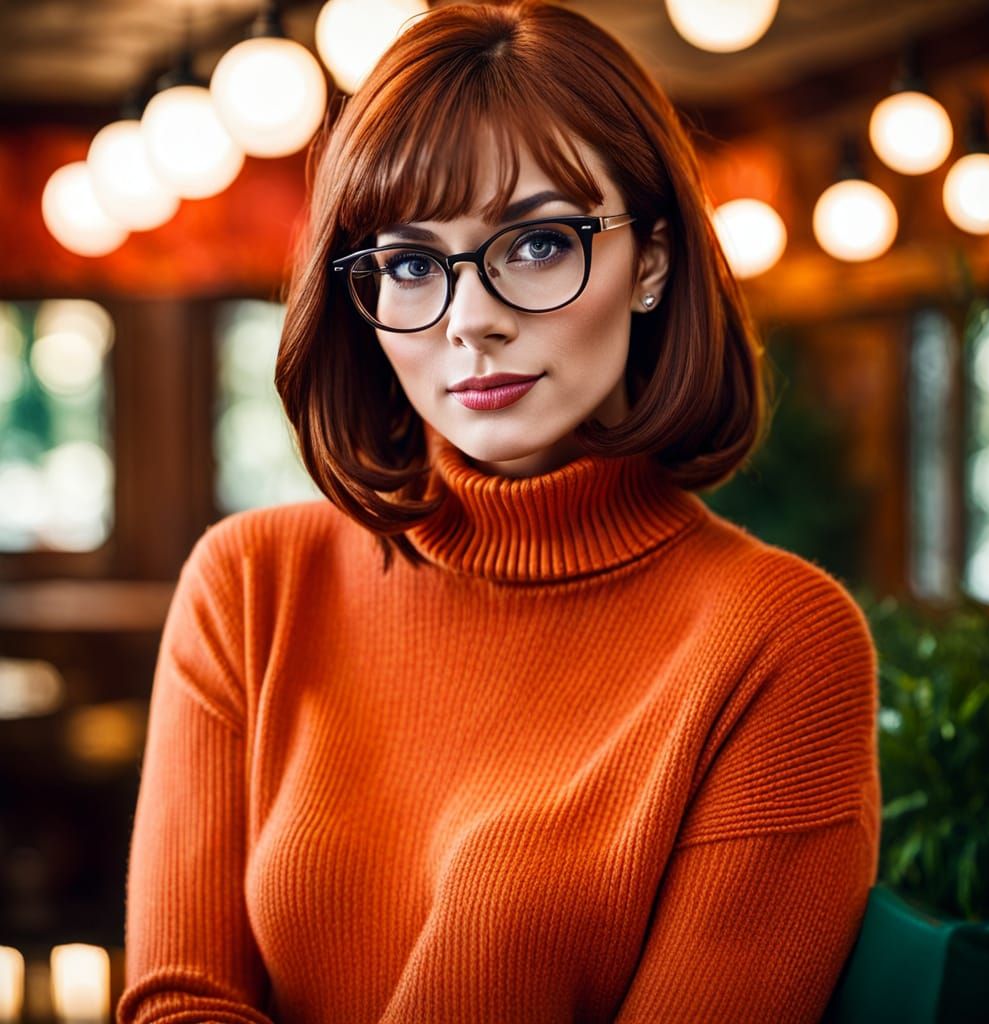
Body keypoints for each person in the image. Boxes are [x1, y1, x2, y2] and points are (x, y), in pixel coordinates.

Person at [116, 2, 881, 1022]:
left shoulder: (778, 641)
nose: (471, 319)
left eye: (538, 244)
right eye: (410, 263)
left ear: (651, 261)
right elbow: (179, 998)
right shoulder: (251, 585)